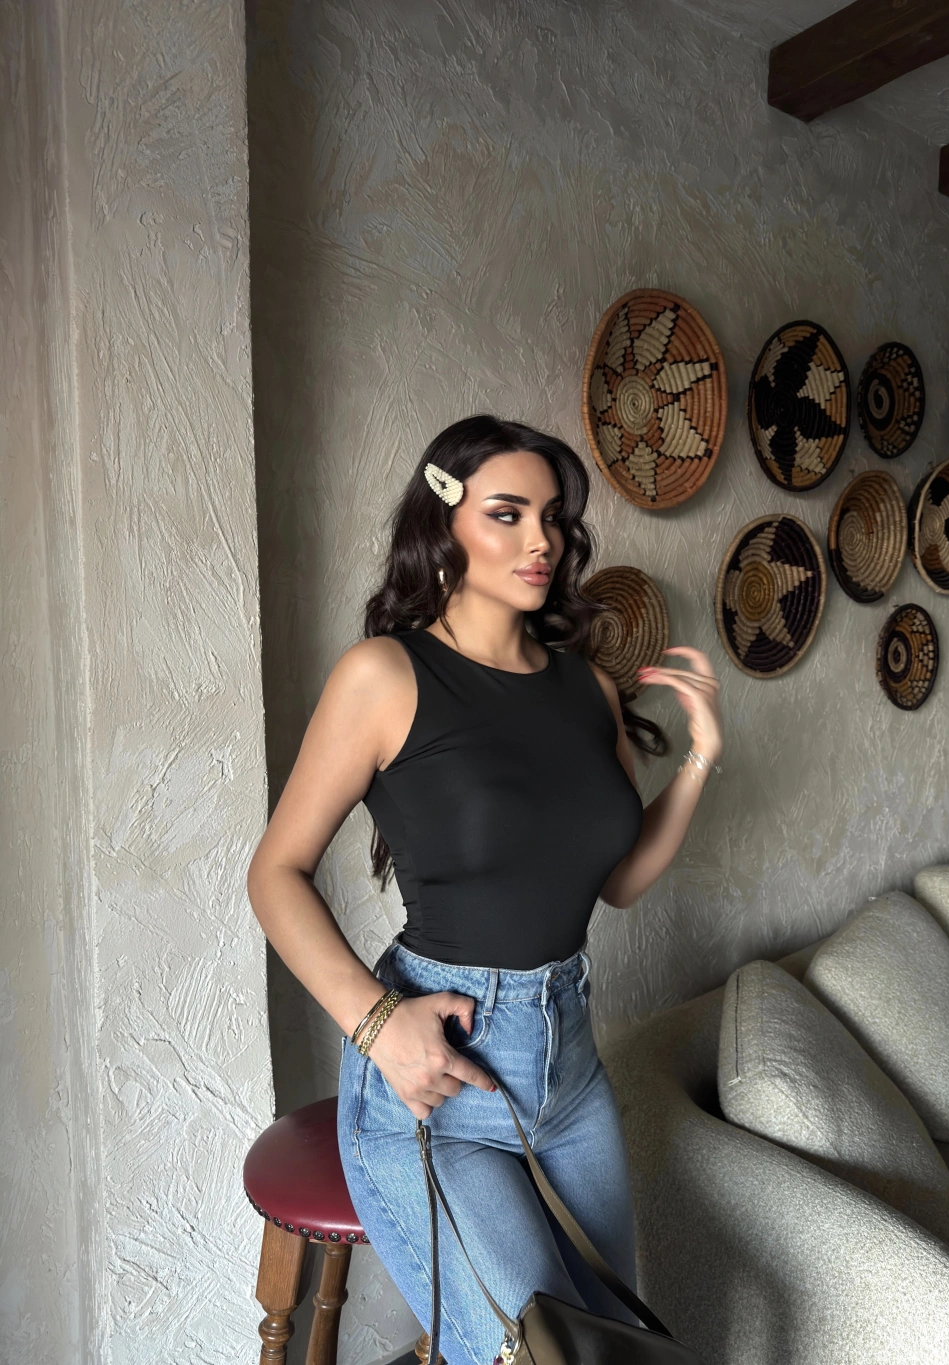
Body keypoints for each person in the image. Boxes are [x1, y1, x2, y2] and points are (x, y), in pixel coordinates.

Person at [247, 414, 723, 1365]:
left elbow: (621, 880)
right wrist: (378, 1024)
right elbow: (274, 874)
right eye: (508, 513)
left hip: (569, 1064)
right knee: (538, 1356)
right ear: (444, 524)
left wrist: (701, 758)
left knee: (610, 1342)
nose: (541, 539)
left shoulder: (587, 689)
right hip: (441, 1074)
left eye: (552, 517)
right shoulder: (386, 675)